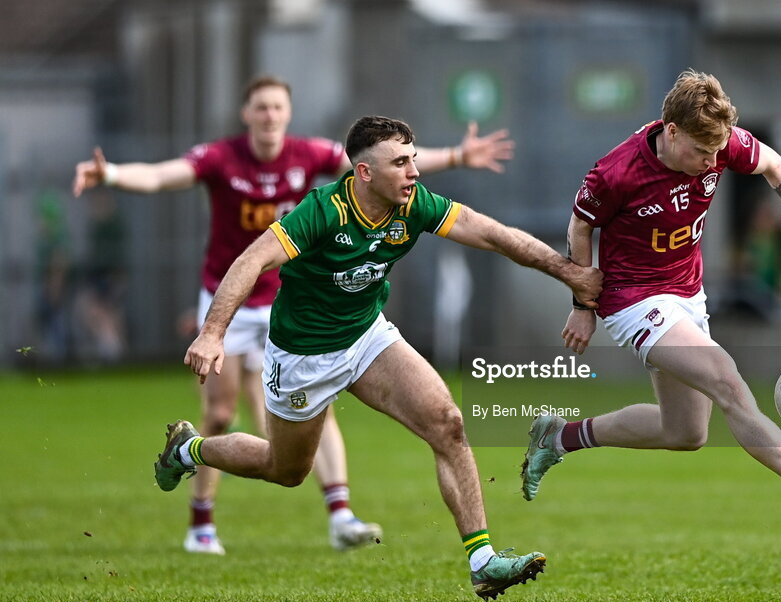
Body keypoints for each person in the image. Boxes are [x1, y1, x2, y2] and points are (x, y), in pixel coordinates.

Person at [156, 115, 601, 599]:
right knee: (284, 470)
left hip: (367, 336)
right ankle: (188, 450)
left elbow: (492, 234)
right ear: (364, 173)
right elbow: (252, 259)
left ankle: (483, 560)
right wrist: (212, 332)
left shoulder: (415, 205)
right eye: (401, 163)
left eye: (414, 159)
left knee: (447, 422)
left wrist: (568, 273)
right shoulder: (323, 211)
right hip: (303, 355)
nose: (414, 172)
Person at [72, 76, 517, 555]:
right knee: (225, 416)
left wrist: (455, 156)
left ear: (288, 113)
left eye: (278, 108)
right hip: (237, 296)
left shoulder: (311, 154)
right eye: (261, 108)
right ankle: (199, 507)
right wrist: (114, 175)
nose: (270, 116)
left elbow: (385, 160)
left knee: (362, 415)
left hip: (304, 298)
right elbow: (163, 176)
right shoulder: (222, 157)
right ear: (247, 115)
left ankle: (342, 514)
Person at [520, 69, 781, 538]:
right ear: (672, 131)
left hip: (687, 292)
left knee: (686, 433)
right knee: (728, 381)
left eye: (716, 152)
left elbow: (774, 166)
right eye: (701, 151)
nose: (711, 161)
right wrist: (582, 304)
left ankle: (558, 438)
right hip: (633, 298)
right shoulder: (616, 173)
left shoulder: (718, 142)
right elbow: (579, 227)